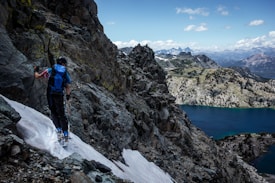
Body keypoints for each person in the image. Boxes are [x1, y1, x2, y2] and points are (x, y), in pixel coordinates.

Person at [34, 57, 72, 142]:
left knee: (53, 111)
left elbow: (38, 76)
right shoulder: (65, 73)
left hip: (50, 93)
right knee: (61, 113)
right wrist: (68, 96)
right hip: (59, 95)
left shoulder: (50, 70)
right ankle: (65, 133)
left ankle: (58, 130)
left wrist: (36, 70)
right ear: (63, 64)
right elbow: (68, 86)